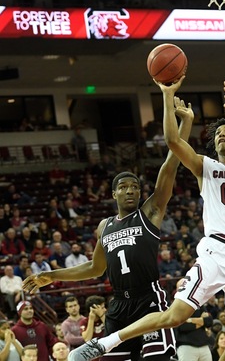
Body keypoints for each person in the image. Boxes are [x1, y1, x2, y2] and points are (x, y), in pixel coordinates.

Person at [63, 78, 225, 361]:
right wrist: (166, 94)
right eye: (218, 133)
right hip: (218, 251)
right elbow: (173, 141)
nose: (221, 135)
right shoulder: (204, 166)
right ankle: (105, 343)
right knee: (174, 315)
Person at [23, 97, 194, 361]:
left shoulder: (150, 212)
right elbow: (94, 268)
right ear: (114, 193)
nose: (130, 191)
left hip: (148, 299)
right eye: (124, 187)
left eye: (135, 187)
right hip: (118, 306)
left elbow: (171, 163)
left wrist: (185, 123)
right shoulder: (106, 225)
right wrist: (52, 275)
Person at [174, 279, 213, 361]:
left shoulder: (198, 304)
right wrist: (201, 321)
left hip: (204, 346)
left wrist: (189, 320)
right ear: (177, 290)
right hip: (186, 347)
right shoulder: (175, 307)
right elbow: (182, 327)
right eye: (182, 286)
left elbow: (209, 321)